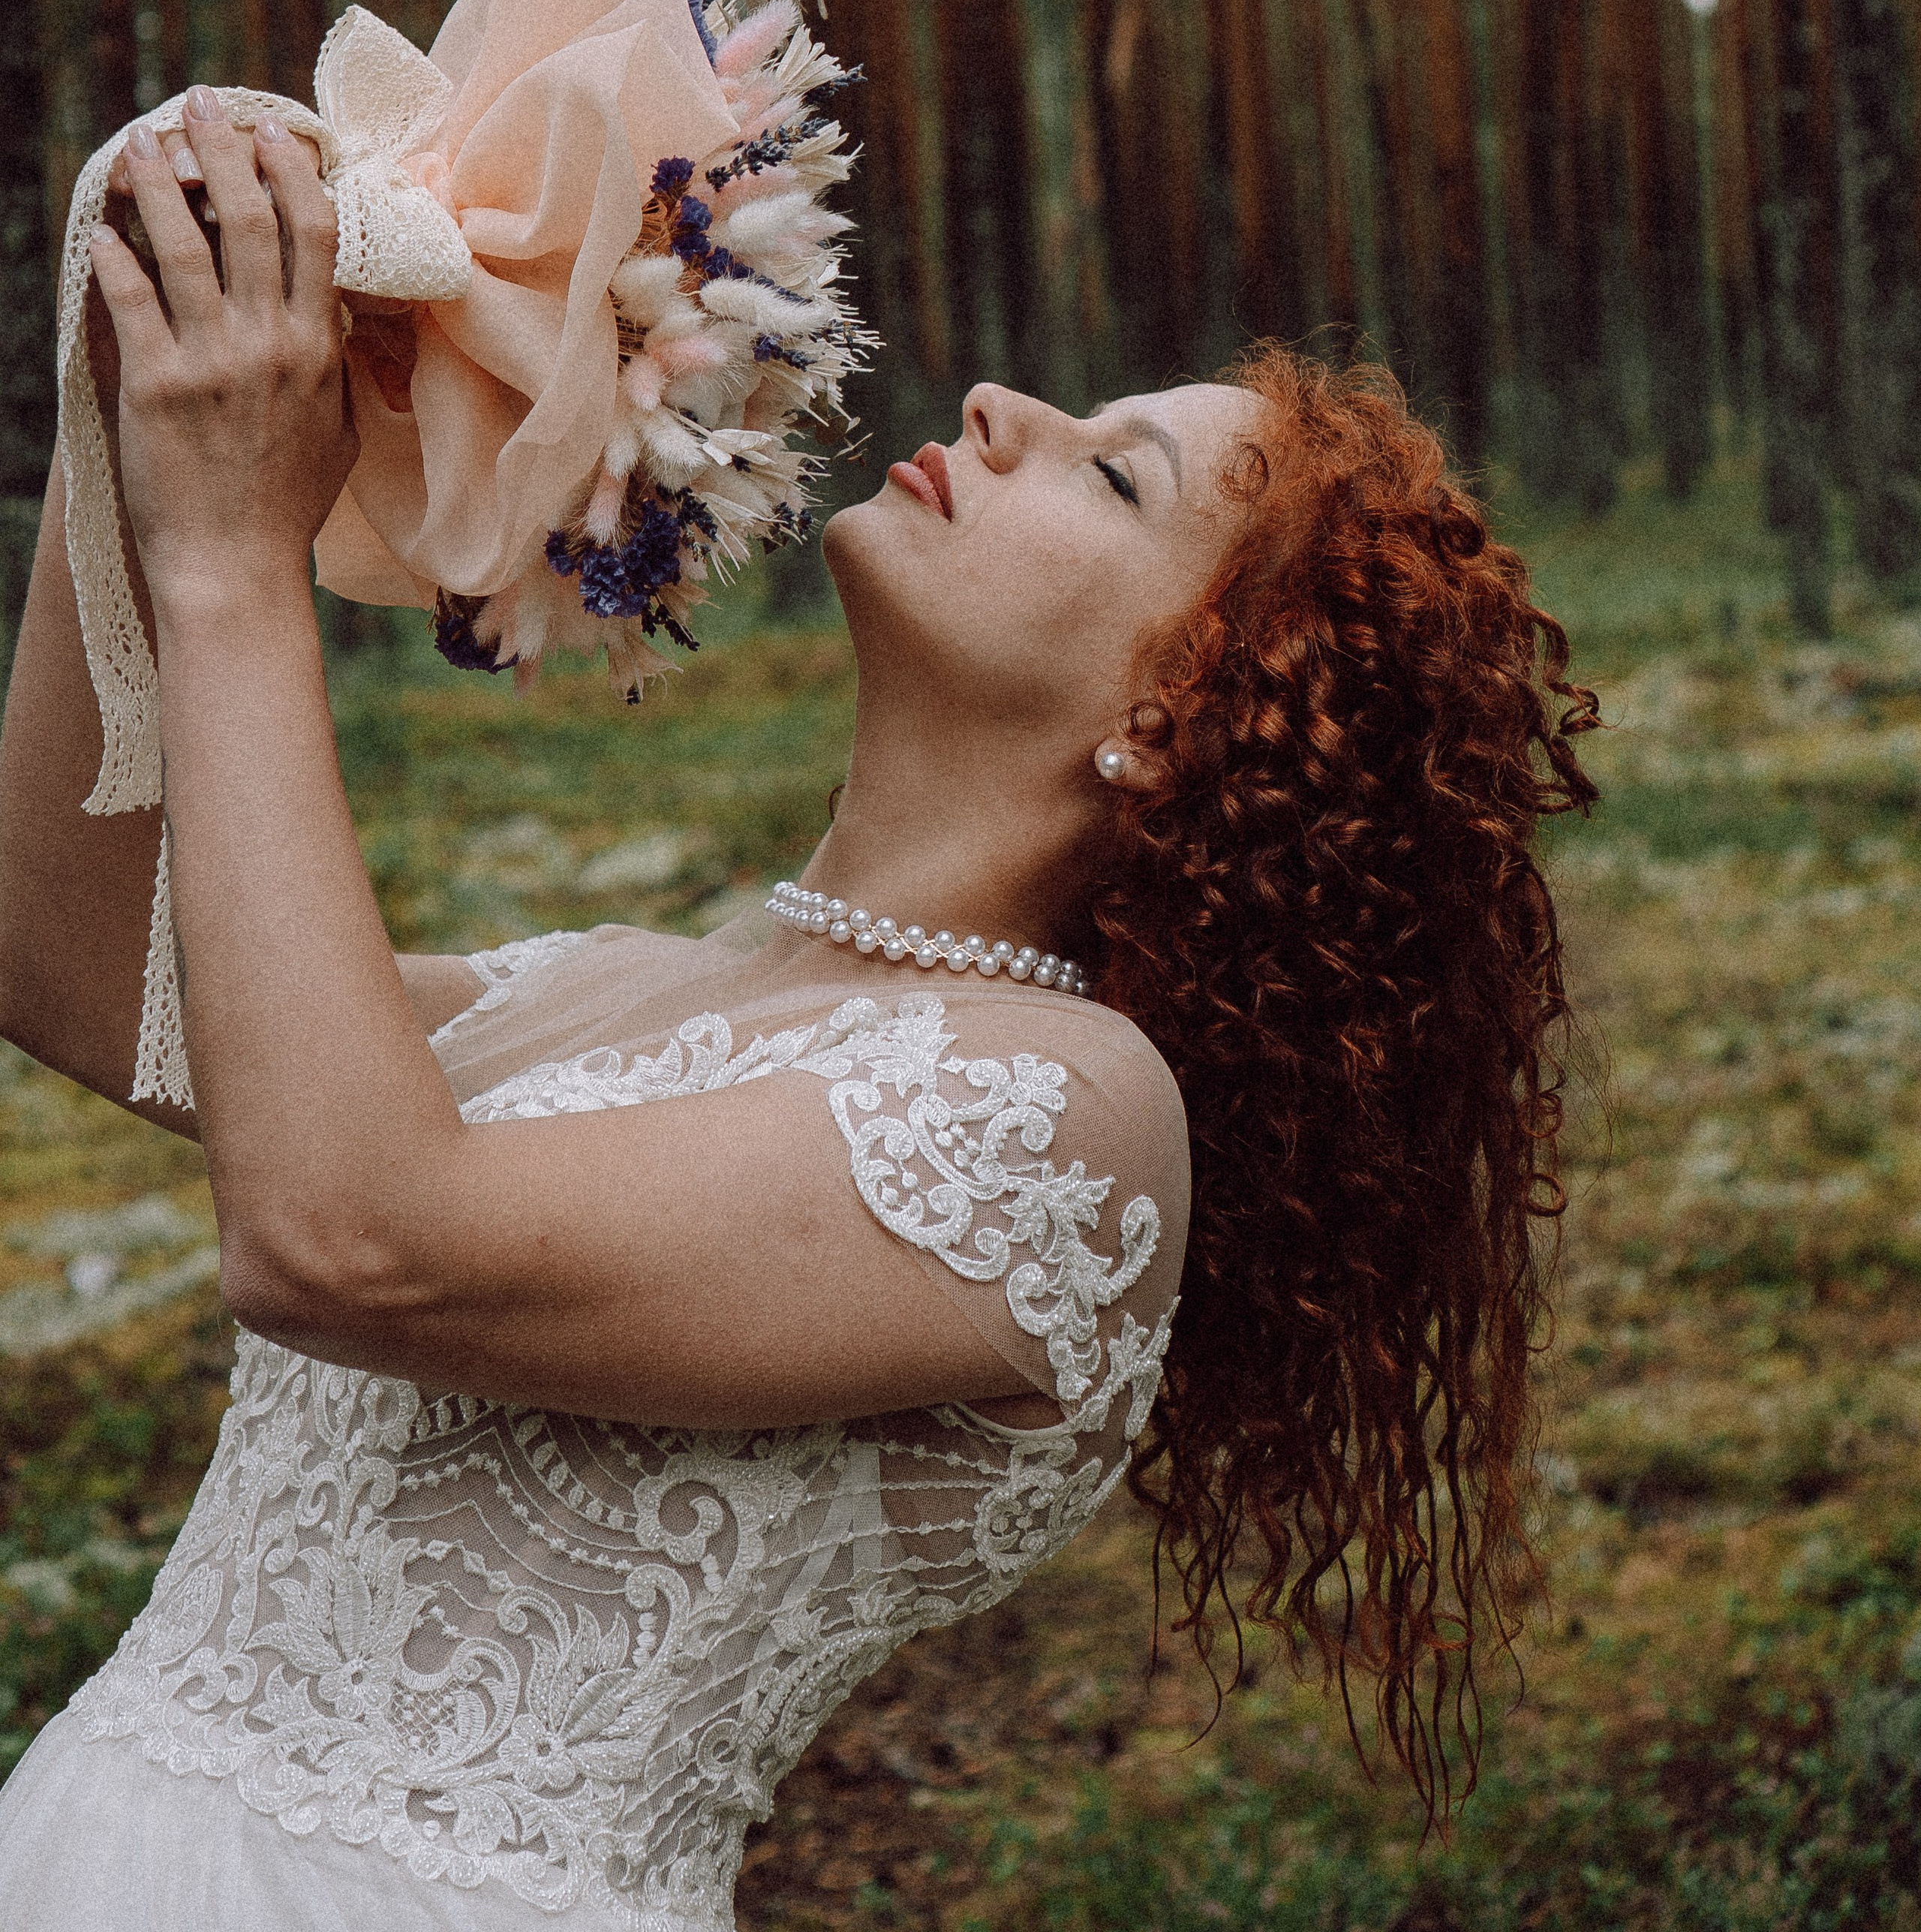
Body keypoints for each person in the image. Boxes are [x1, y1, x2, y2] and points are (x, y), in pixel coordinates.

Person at [0, 95, 1595, 1927]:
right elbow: (65, 959)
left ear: (1167, 721)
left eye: (1111, 476)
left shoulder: (1067, 1116)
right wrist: (136, 393)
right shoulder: (627, 982)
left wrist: (227, 559)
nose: (1000, 406)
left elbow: (349, 1241)